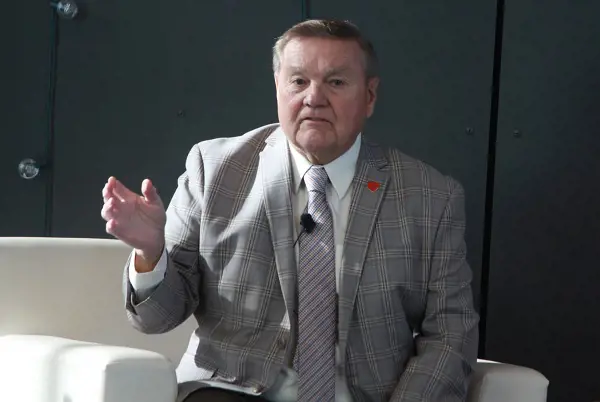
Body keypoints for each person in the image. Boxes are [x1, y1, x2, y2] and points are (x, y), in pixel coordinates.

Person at [101, 19, 479, 402]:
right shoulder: (214, 170)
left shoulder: (430, 196)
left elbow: (451, 333)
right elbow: (157, 318)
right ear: (278, 87)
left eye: (336, 82)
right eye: (298, 81)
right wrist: (151, 255)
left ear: (369, 96)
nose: (314, 98)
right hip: (230, 391)